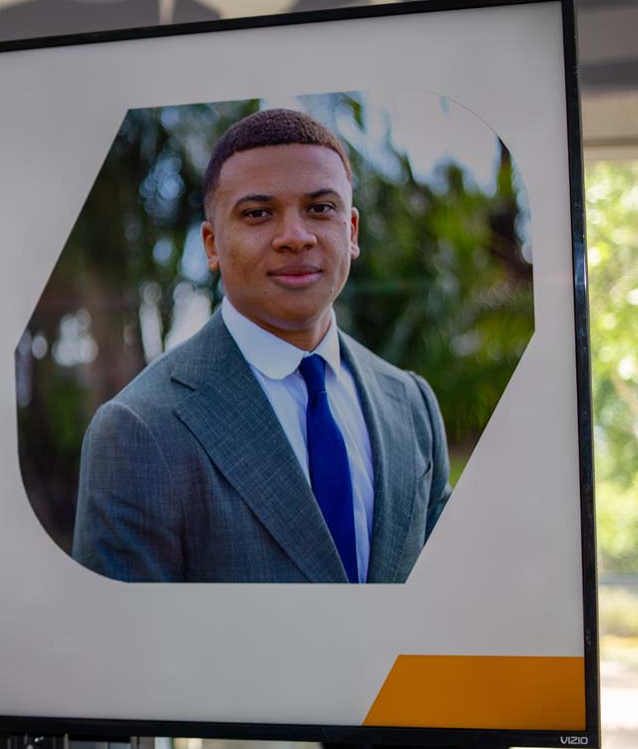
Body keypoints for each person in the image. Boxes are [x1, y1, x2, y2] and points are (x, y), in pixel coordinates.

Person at [71, 107, 450, 584]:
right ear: (211, 244)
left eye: (320, 208)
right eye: (258, 213)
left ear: (351, 232)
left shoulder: (412, 404)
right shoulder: (138, 430)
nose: (295, 236)